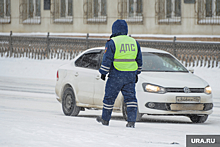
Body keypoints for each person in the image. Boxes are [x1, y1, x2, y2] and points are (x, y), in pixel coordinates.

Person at [96, 19, 142, 128]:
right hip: (130, 75)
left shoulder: (112, 42)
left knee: (109, 98)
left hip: (116, 75)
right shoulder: (134, 42)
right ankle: (131, 121)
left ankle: (105, 119)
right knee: (130, 99)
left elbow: (107, 59)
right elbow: (139, 60)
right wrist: (137, 73)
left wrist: (103, 72)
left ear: (114, 29)